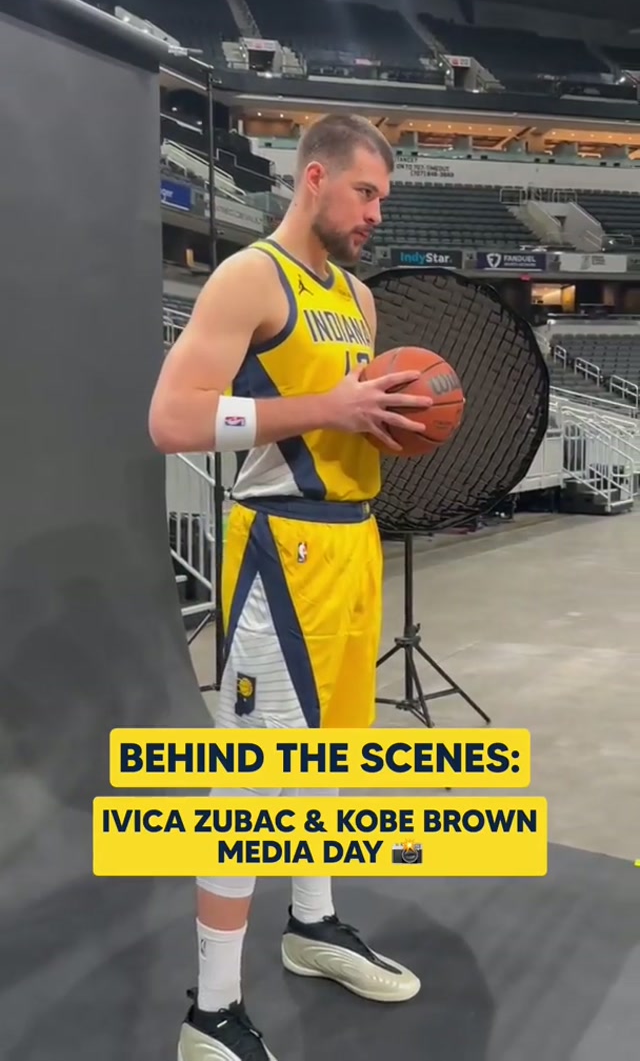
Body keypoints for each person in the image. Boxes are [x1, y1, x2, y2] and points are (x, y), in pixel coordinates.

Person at [148, 112, 432, 1061]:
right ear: (313, 179)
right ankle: (211, 1015)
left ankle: (311, 926)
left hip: (352, 546)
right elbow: (173, 416)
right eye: (365, 192)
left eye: (382, 197)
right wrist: (333, 405)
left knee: (331, 761)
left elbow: (343, 420)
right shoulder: (248, 276)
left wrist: (391, 419)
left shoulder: (356, 294)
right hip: (280, 552)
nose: (374, 211)